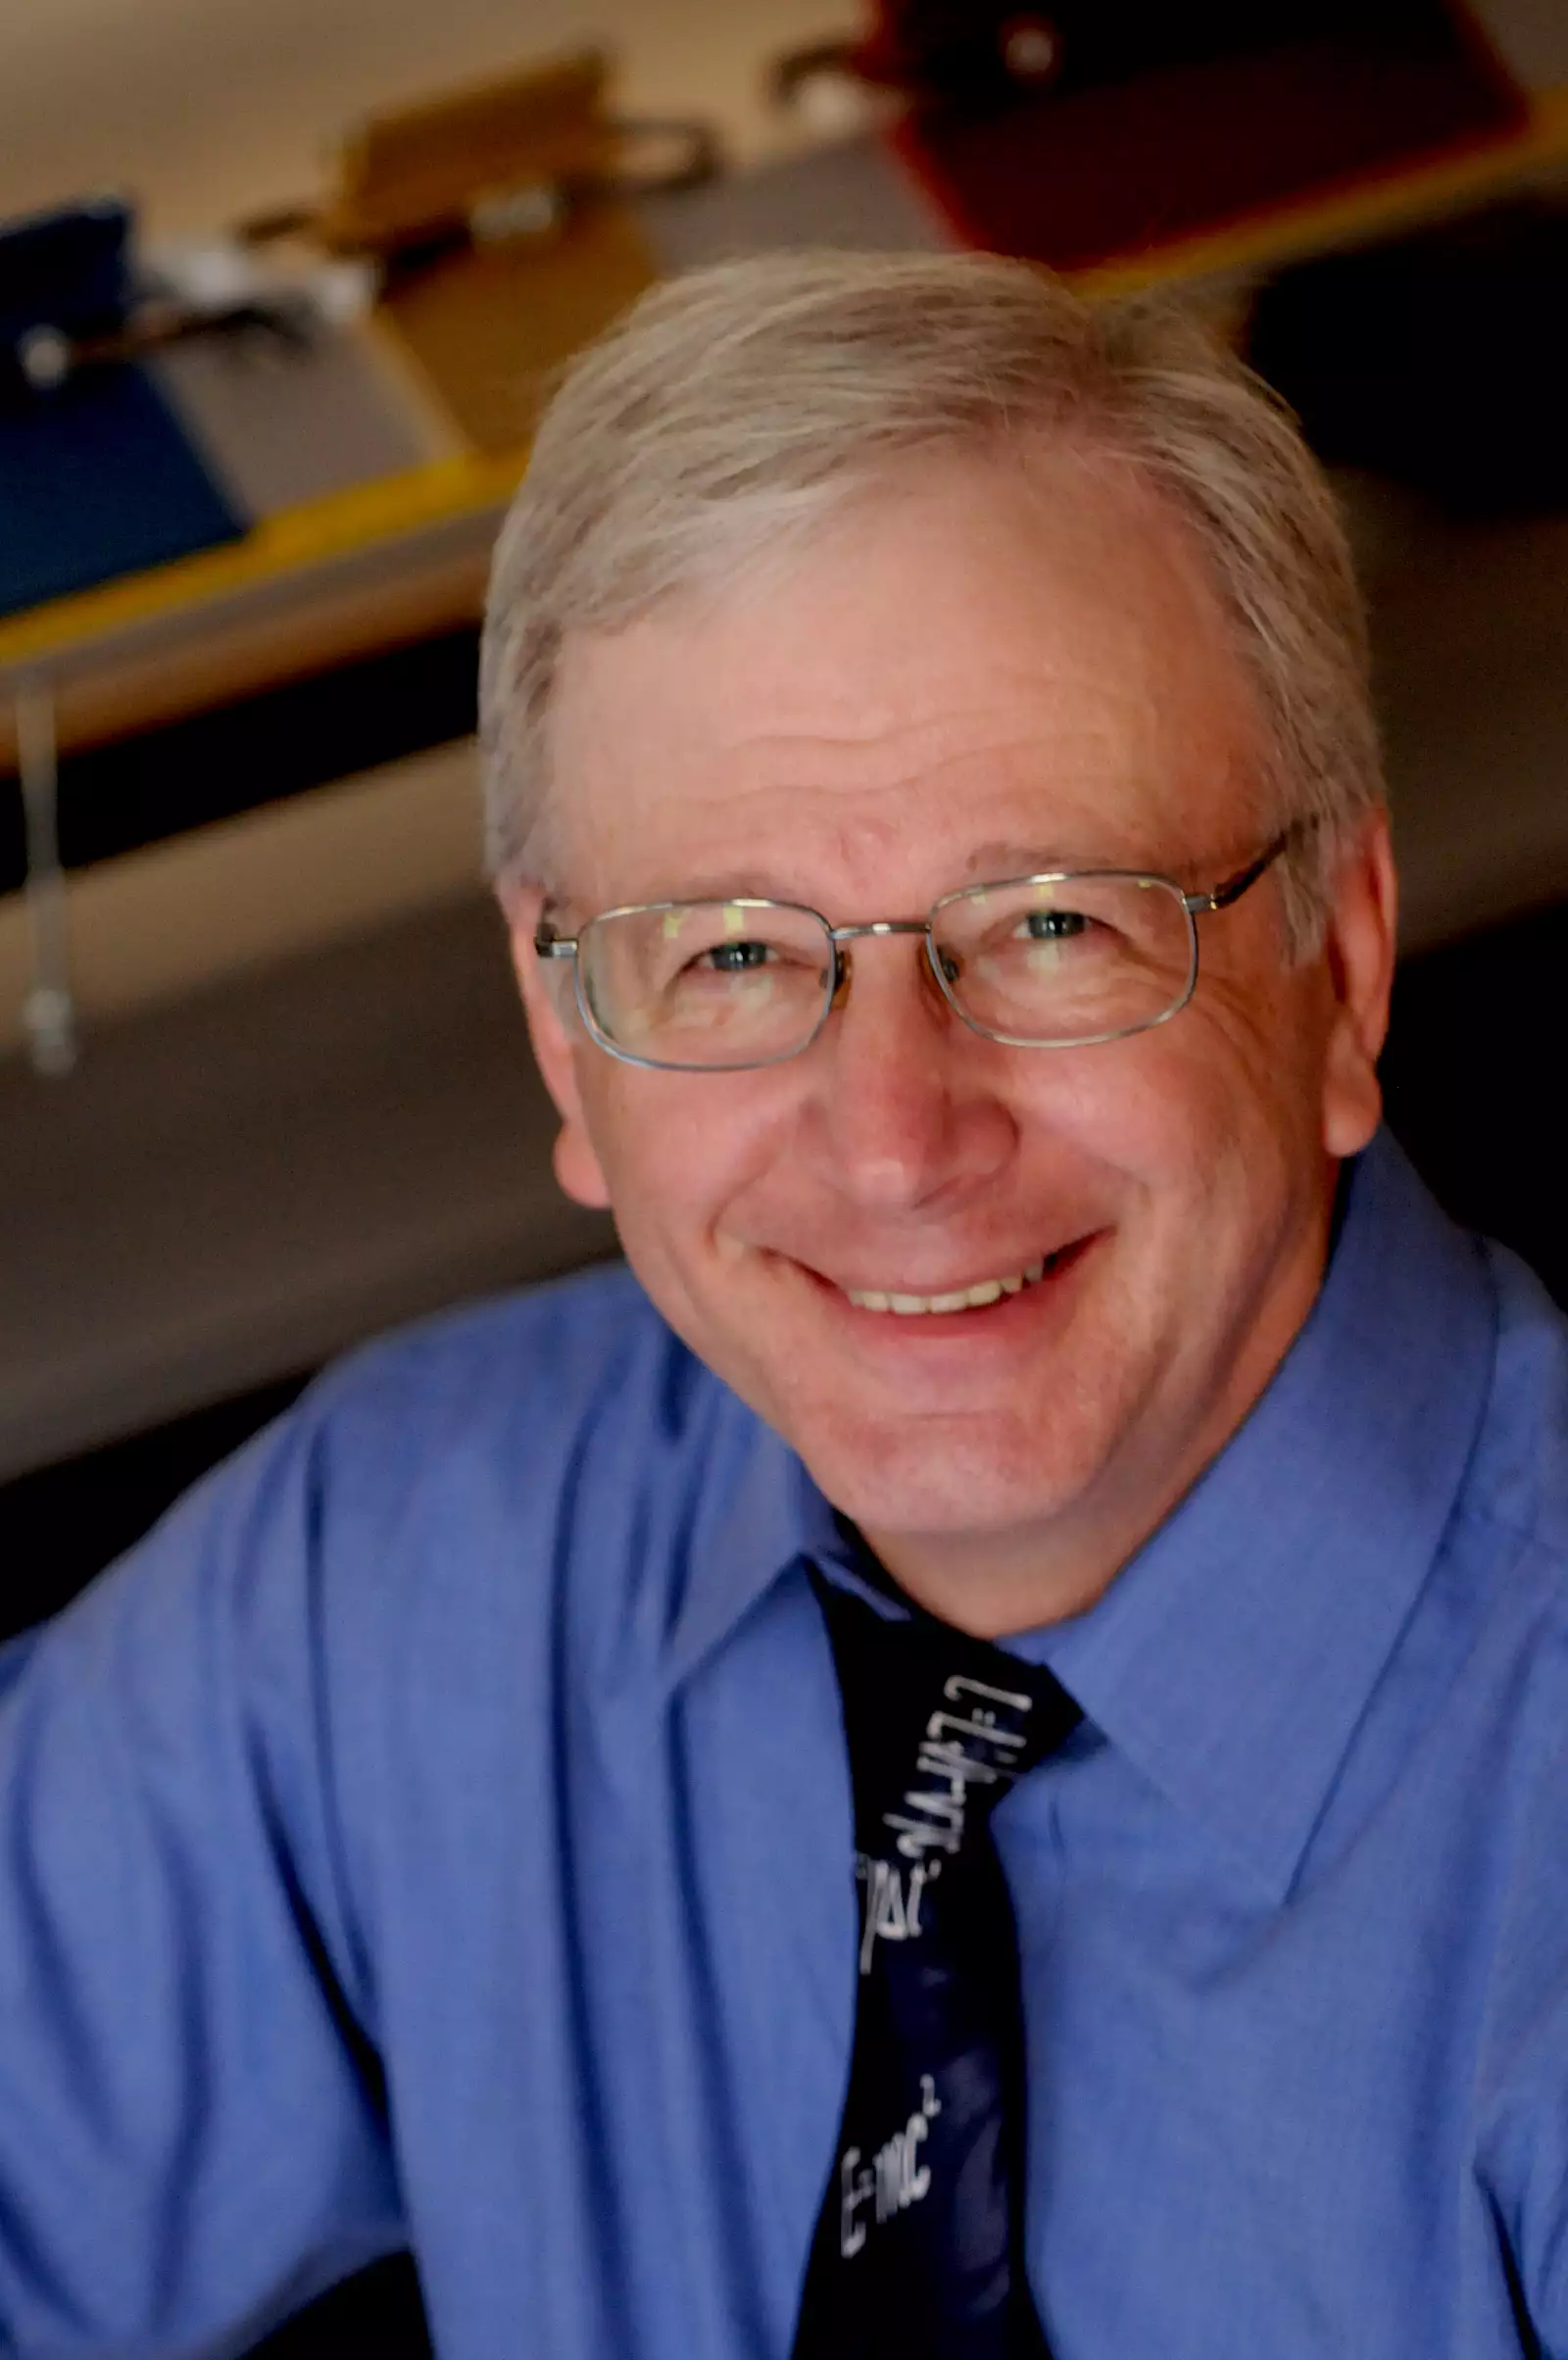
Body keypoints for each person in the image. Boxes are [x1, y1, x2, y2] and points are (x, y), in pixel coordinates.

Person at [0, 248, 1563, 2360]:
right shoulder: (398, 1589)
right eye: (730, 956)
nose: (895, 1137)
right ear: (566, 1040)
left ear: (1342, 954)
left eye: (1047, 923)